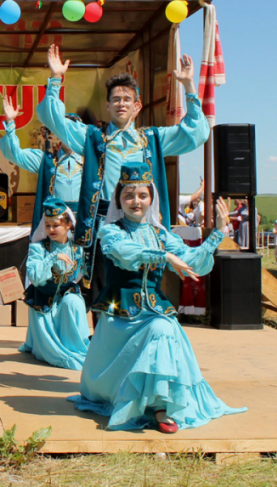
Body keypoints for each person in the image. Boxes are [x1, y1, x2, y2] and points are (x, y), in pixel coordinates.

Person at [68, 162, 245, 433]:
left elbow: (192, 262)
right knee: (161, 330)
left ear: (151, 198)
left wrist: (217, 233)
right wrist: (164, 256)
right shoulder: (111, 232)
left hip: (153, 312)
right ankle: (133, 400)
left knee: (163, 328)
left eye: (142, 195)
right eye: (128, 195)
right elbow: (127, 254)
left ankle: (160, 407)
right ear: (119, 200)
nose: (135, 201)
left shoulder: (161, 234)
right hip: (120, 318)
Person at [37, 45, 210, 303]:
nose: (121, 104)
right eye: (116, 99)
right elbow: (53, 119)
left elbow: (196, 133)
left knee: (141, 284)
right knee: (102, 288)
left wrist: (189, 88)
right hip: (103, 221)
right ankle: (103, 340)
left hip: (142, 223)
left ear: (137, 106)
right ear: (107, 105)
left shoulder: (151, 138)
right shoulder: (93, 137)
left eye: (127, 99)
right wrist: (55, 79)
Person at [20, 197, 90, 370]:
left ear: (68, 226)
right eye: (47, 225)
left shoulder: (77, 248)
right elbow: (35, 278)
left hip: (64, 297)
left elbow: (84, 272)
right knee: (50, 353)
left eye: (56, 225)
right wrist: (52, 258)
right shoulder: (39, 248)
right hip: (43, 301)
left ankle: (75, 346)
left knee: (73, 302)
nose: (51, 229)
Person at [1, 96, 83, 232]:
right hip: (55, 223)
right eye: (64, 130)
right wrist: (10, 123)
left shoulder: (91, 161)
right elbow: (15, 154)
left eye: (73, 130)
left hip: (84, 220)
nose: (69, 135)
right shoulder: (47, 160)